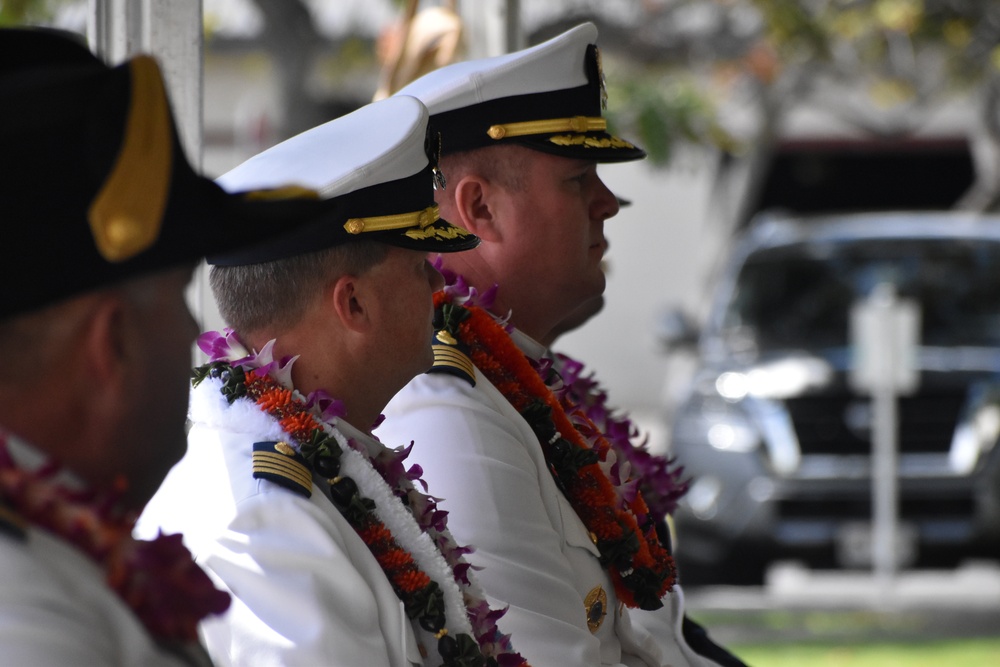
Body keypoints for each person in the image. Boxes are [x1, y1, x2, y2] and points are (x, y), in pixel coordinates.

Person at [378, 23, 745, 667]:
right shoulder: (443, 404)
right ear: (480, 209)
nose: (608, 203)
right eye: (578, 179)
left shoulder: (513, 376)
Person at [137, 95, 529, 667]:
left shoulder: (313, 460)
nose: (439, 287)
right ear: (354, 303)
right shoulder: (265, 519)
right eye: (419, 267)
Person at [0, 28, 336, 666]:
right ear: (114, 342)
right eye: (180, 295)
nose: (191, 332)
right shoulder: (25, 616)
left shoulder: (47, 562)